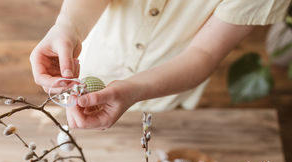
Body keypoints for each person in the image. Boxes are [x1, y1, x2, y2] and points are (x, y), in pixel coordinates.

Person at [30, 0, 290, 129]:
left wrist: (135, 89)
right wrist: (69, 24)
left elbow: (204, 54)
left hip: (165, 87)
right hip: (96, 53)